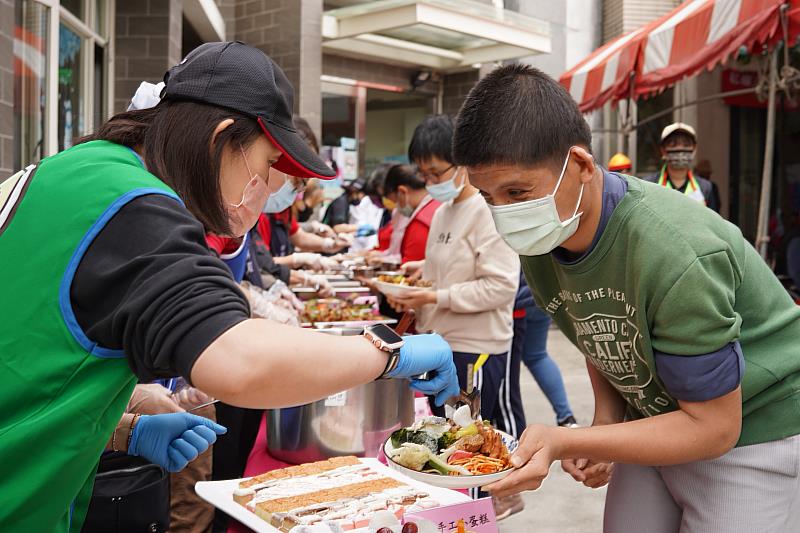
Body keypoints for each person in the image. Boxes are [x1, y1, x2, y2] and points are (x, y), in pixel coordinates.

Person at [0, 42, 459, 532]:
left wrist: (120, 431)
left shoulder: (76, 171)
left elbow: (32, 366)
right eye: (267, 167)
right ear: (222, 139)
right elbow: (238, 360)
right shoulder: (131, 203)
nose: (266, 188)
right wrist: (389, 350)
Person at [453, 63, 800, 532]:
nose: (505, 214)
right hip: (657, 414)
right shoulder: (544, 235)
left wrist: (561, 439)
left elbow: (716, 427)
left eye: (517, 191)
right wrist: (602, 429)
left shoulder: (676, 252)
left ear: (579, 165)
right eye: (488, 197)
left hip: (753, 429)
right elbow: (601, 330)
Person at [387, 115, 519, 500]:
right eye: (423, 174)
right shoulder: (443, 211)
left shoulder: (486, 211)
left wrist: (433, 297)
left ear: (462, 164)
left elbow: (499, 286)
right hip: (440, 342)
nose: (429, 183)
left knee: (474, 448)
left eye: (435, 172)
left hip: (477, 349)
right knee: (446, 449)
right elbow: (447, 270)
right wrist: (420, 276)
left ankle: (488, 506)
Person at [643, 122, 720, 213]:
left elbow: (713, 224)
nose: (679, 148)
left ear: (694, 149)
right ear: (663, 150)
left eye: (686, 144)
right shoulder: (648, 185)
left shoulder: (705, 188)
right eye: (672, 143)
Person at [382, 164, 440, 264]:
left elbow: (411, 262)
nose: (398, 208)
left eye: (397, 202)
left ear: (402, 191)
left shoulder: (422, 219)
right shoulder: (436, 205)